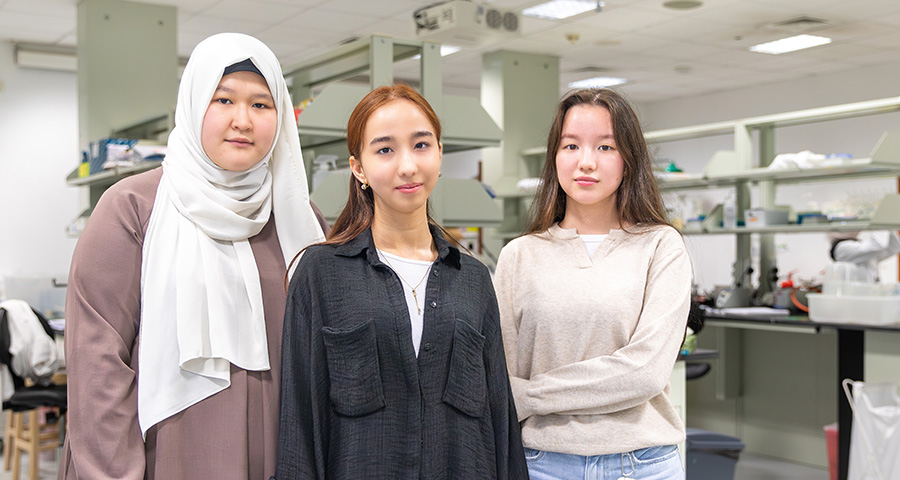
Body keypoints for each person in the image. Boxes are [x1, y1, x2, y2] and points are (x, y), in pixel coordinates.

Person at [59, 33, 328, 480]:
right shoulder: (133, 208)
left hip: (282, 453)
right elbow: (98, 363)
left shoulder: (301, 219)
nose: (242, 120)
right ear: (193, 103)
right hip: (168, 453)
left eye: (261, 105)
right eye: (223, 100)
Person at [274, 84, 527, 479]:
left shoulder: (473, 280)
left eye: (421, 145)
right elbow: (299, 421)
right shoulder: (321, 273)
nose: (407, 166)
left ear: (440, 154)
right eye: (385, 149)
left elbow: (499, 421)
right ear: (358, 167)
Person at [493, 88, 692, 480]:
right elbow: (503, 372)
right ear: (555, 156)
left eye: (605, 147)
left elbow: (645, 374)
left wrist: (530, 396)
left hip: (642, 465)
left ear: (629, 158)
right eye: (571, 146)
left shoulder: (660, 245)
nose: (586, 162)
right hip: (542, 465)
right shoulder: (519, 255)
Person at [828, 230, 900, 283]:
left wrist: (888, 226)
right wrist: (879, 221)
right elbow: (878, 245)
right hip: (859, 298)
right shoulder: (842, 248)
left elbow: (895, 247)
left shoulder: (858, 246)